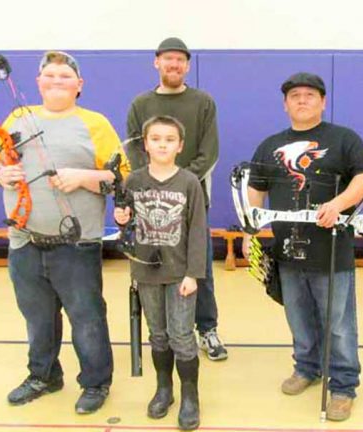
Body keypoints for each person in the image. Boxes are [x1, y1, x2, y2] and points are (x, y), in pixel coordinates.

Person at [0, 51, 129, 414]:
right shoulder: (17, 117)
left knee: (87, 318)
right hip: (24, 240)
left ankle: (95, 382)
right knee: (37, 316)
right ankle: (43, 376)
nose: (57, 81)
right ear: (38, 82)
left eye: (65, 76)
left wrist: (85, 177)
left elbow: (122, 176)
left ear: (80, 85)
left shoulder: (95, 124)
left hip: (76, 244)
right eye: (50, 75)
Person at [241, 72, 363, 421]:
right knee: (298, 317)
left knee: (338, 323)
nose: (302, 100)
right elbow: (255, 188)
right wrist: (250, 230)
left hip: (331, 250)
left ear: (323, 102)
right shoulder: (269, 145)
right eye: (295, 95)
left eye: (310, 95)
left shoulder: (344, 139)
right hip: (286, 250)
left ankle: (344, 386)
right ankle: (307, 367)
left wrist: (339, 204)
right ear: (285, 103)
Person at [126, 37, 227, 361]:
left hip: (192, 201)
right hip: (149, 205)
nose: (174, 65)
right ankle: (164, 334)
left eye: (180, 60)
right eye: (168, 59)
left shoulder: (203, 102)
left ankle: (207, 329)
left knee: (199, 269)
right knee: (155, 268)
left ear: (187, 66)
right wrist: (153, 185)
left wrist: (179, 183)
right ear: (157, 62)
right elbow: (133, 149)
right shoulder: (140, 104)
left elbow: (208, 153)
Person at [114, 115, 207, 430]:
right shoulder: (134, 181)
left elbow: (197, 231)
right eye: (156, 139)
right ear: (146, 144)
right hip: (146, 272)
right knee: (158, 335)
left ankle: (190, 395)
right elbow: (126, 225)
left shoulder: (189, 182)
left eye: (169, 139)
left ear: (179, 146)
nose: (162, 144)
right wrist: (121, 218)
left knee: (182, 335)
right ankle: (164, 389)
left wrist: (194, 273)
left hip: (180, 273)